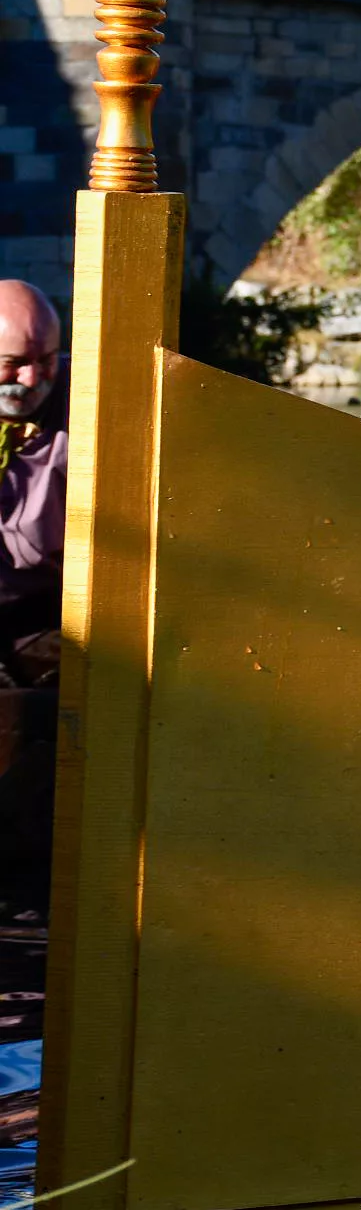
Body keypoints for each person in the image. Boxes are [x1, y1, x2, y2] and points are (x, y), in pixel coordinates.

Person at [0, 281, 66, 918]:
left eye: (47, 358)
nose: (32, 376)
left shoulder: (83, 406)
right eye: (13, 363)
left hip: (50, 611)